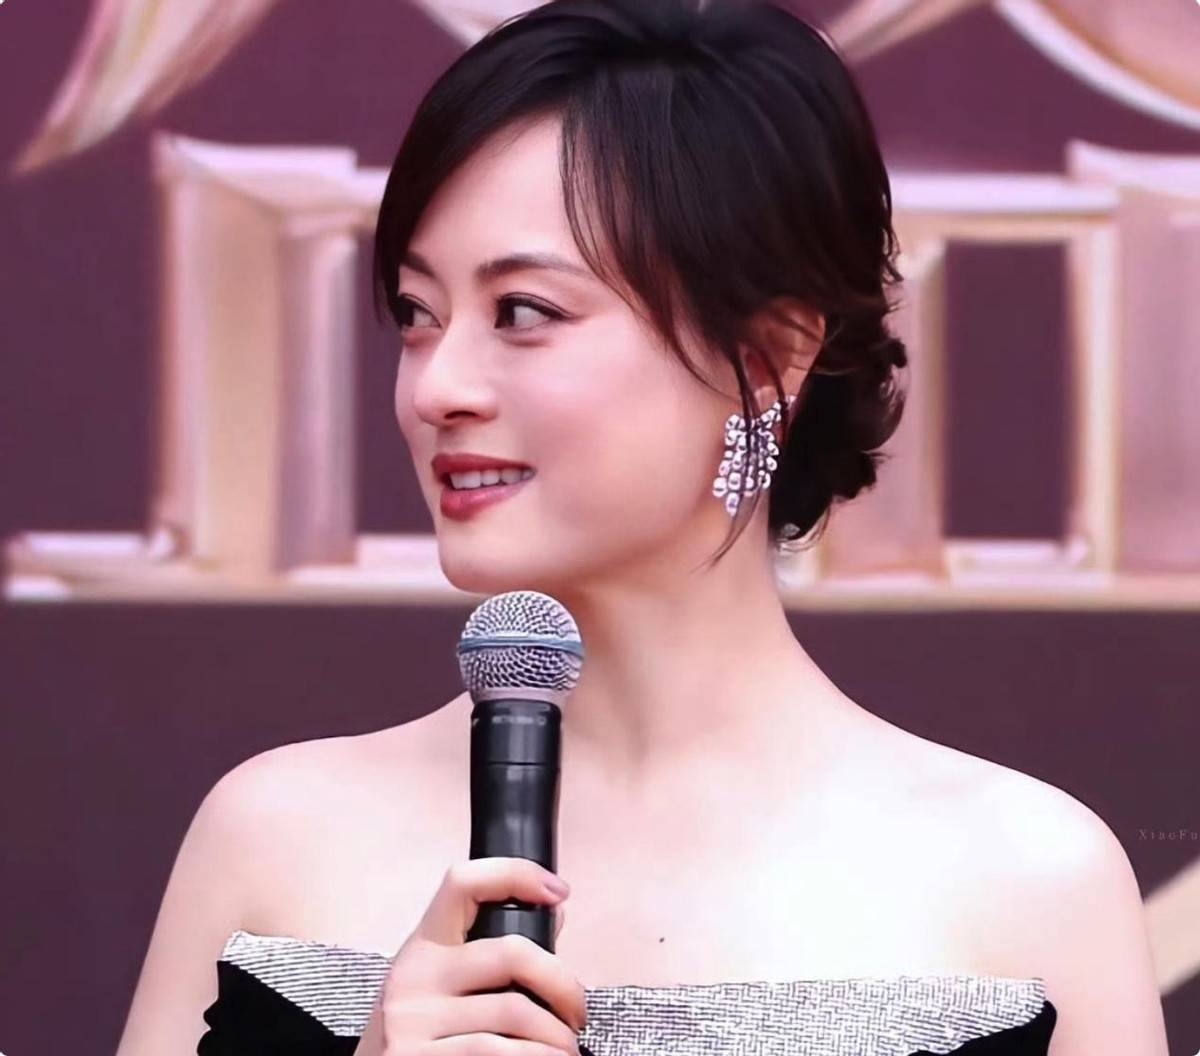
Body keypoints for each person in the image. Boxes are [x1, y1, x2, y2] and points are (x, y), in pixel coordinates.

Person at [115, 0, 1169, 1053]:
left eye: (523, 312)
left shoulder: (1029, 886)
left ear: (771, 355)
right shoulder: (270, 841)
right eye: (417, 315)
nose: (437, 387)